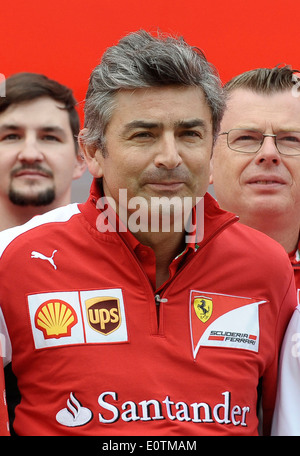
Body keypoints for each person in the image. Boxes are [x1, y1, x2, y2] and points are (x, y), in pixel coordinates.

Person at [0, 31, 296, 436]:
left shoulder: (267, 267)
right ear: (92, 153)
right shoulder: (14, 259)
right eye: (144, 135)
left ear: (211, 151)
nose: (170, 158)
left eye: (190, 134)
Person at [210, 66, 300, 435]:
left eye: (291, 139)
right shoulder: (161, 270)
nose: (269, 153)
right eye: (246, 138)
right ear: (207, 160)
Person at [0, 72, 86, 231]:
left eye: (49, 138)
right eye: (11, 136)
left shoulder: (114, 255)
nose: (30, 155)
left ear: (80, 159)